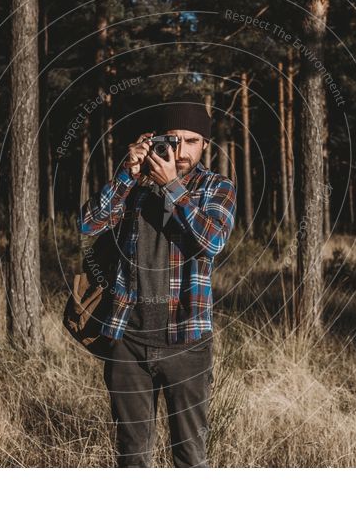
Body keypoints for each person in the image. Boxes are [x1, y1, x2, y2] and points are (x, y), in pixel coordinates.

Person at [77, 98, 237, 467]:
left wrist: (173, 188)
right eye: (172, 139)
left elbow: (211, 241)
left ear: (205, 145)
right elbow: (88, 225)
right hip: (127, 339)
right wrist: (127, 173)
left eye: (192, 141)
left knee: (189, 457)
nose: (180, 151)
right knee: (132, 456)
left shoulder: (217, 187)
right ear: (155, 140)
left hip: (187, 340)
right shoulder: (135, 183)